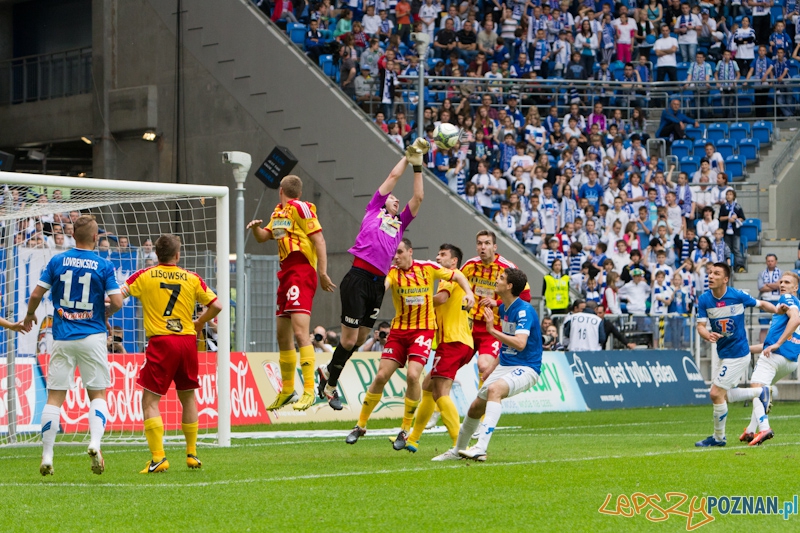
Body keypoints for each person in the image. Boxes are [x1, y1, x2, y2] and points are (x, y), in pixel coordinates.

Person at [317, 139, 430, 411]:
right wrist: (407, 156)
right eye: (391, 197)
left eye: (396, 199)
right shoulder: (373, 210)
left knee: (358, 339)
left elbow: (419, 198)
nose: (395, 198)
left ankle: (327, 371)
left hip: (378, 284)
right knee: (346, 339)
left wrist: (418, 167)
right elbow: (392, 177)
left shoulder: (400, 223)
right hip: (357, 278)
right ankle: (330, 385)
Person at [344, 239, 474, 448]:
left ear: (410, 252)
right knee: (381, 376)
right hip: (399, 332)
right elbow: (383, 286)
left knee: (414, 375)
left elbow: (457, 275)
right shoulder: (393, 273)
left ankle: (405, 430)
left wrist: (469, 293)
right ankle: (360, 425)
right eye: (394, 254)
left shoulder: (428, 268)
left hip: (423, 331)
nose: (396, 257)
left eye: (400, 252)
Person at [23, 215, 123, 477]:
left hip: (62, 337)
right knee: (97, 395)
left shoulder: (57, 260)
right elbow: (117, 301)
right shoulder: (104, 265)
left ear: (72, 236)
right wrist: (104, 315)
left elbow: (36, 294)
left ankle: (47, 455)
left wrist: (31, 314)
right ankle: (94, 443)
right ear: (94, 237)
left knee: (55, 398)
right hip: (93, 337)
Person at [121, 234, 221, 473]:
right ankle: (192, 454)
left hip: (162, 343)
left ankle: (158, 458)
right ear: (178, 255)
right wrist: (199, 322)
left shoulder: (143, 276)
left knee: (150, 401)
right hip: (187, 342)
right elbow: (216, 305)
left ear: (156, 254)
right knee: (187, 398)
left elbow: (118, 295)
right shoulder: (192, 277)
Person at [432, 268, 541, 462]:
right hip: (505, 365)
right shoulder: (505, 308)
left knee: (494, 390)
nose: (496, 280)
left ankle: (481, 448)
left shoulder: (524, 310)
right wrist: (492, 367)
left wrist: (491, 330)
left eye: (500, 278)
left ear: (509, 286)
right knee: (475, 407)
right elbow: (508, 343)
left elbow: (520, 343)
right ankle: (458, 450)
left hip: (527, 368)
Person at [246, 175, 335, 411]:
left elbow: (320, 240)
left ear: (280, 190)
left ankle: (309, 390)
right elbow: (264, 237)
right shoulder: (278, 212)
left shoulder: (302, 208)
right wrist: (256, 229)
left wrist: (322, 273)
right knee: (282, 335)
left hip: (301, 271)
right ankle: (287, 390)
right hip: (285, 273)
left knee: (299, 332)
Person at [695, 262, 778, 447]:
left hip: (738, 353)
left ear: (725, 279)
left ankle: (718, 438)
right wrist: (707, 334)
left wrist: (779, 310)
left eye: (716, 273)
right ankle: (760, 392)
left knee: (715, 393)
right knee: (722, 396)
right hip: (723, 352)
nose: (711, 276)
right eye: (709, 273)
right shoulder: (704, 300)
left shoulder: (737, 295)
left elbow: (762, 303)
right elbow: (700, 326)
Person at [405, 244, 474, 453]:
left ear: (453, 261)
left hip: (453, 342)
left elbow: (441, 299)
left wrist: (414, 299)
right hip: (457, 342)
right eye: (438, 254)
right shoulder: (455, 278)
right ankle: (413, 439)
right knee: (427, 386)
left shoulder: (450, 277)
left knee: (440, 392)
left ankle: (459, 444)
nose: (437, 257)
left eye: (442, 254)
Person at [461, 230, 531, 385]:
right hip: (467, 326)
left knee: (484, 365)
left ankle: (483, 408)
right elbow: (454, 285)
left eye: (487, 243)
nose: (482, 247)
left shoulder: (508, 269)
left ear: (495, 246)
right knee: (447, 366)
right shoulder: (469, 266)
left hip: (493, 327)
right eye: (479, 243)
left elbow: (526, 297)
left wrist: (498, 303)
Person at [741, 272, 800, 446]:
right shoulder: (795, 305)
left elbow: (795, 320)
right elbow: (769, 344)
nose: (782, 284)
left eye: (787, 282)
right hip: (789, 361)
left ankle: (764, 428)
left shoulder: (788, 299)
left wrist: (777, 344)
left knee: (756, 388)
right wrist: (746, 350)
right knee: (760, 390)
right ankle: (751, 430)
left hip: (776, 356)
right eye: (781, 281)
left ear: (795, 288)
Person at [718, 189, 746, 273]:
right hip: (726, 231)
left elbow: (742, 218)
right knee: (727, 250)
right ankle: (728, 266)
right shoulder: (723, 207)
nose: (728, 196)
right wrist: (728, 218)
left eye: (730, 194)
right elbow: (720, 218)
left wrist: (736, 219)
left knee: (736, 249)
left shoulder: (737, 206)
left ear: (733, 196)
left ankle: (739, 266)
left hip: (735, 231)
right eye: (727, 194)